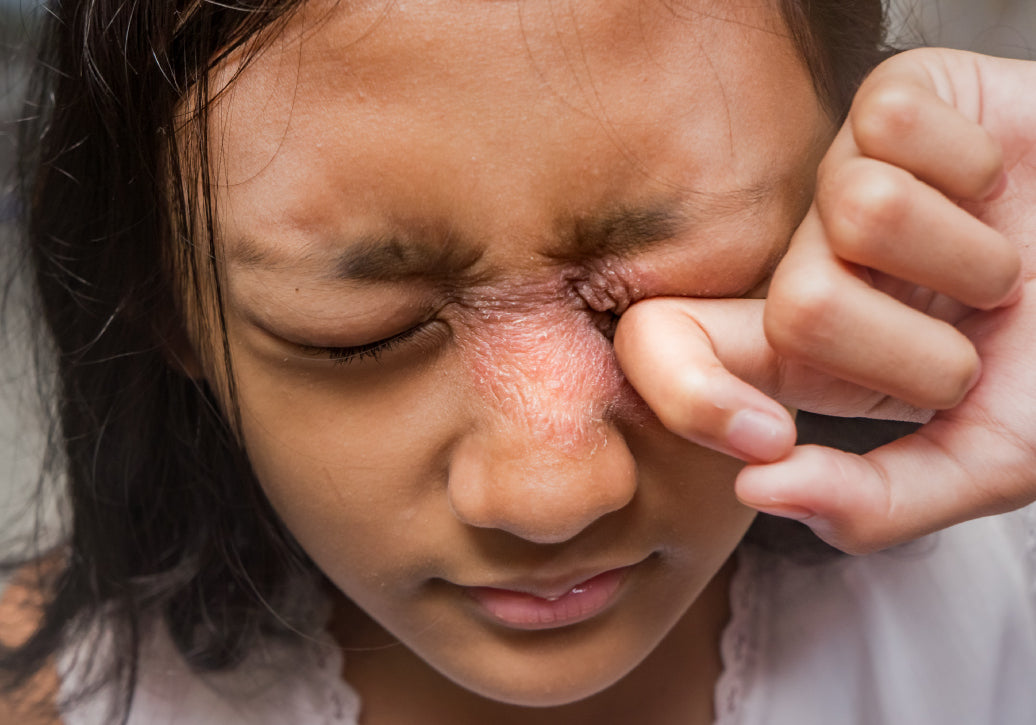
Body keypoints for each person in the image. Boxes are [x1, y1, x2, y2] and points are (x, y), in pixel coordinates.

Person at [1, 0, 1035, 722]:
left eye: (678, 277)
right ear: (164, 296)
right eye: (355, 327)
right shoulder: (45, 696)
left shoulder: (998, 606)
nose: (551, 494)